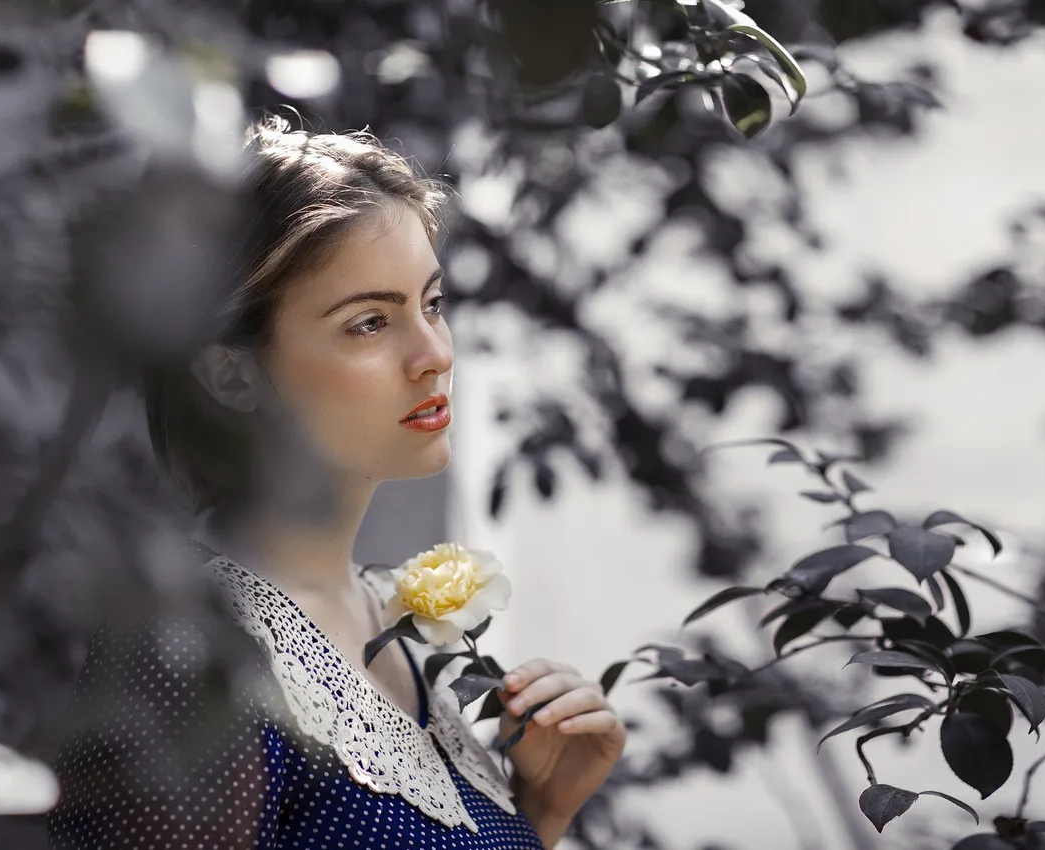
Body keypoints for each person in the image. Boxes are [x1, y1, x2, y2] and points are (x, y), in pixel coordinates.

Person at [47, 116, 626, 850]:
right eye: (369, 323)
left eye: (432, 304)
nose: (433, 355)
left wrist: (540, 813)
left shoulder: (404, 626)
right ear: (231, 371)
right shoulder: (191, 652)